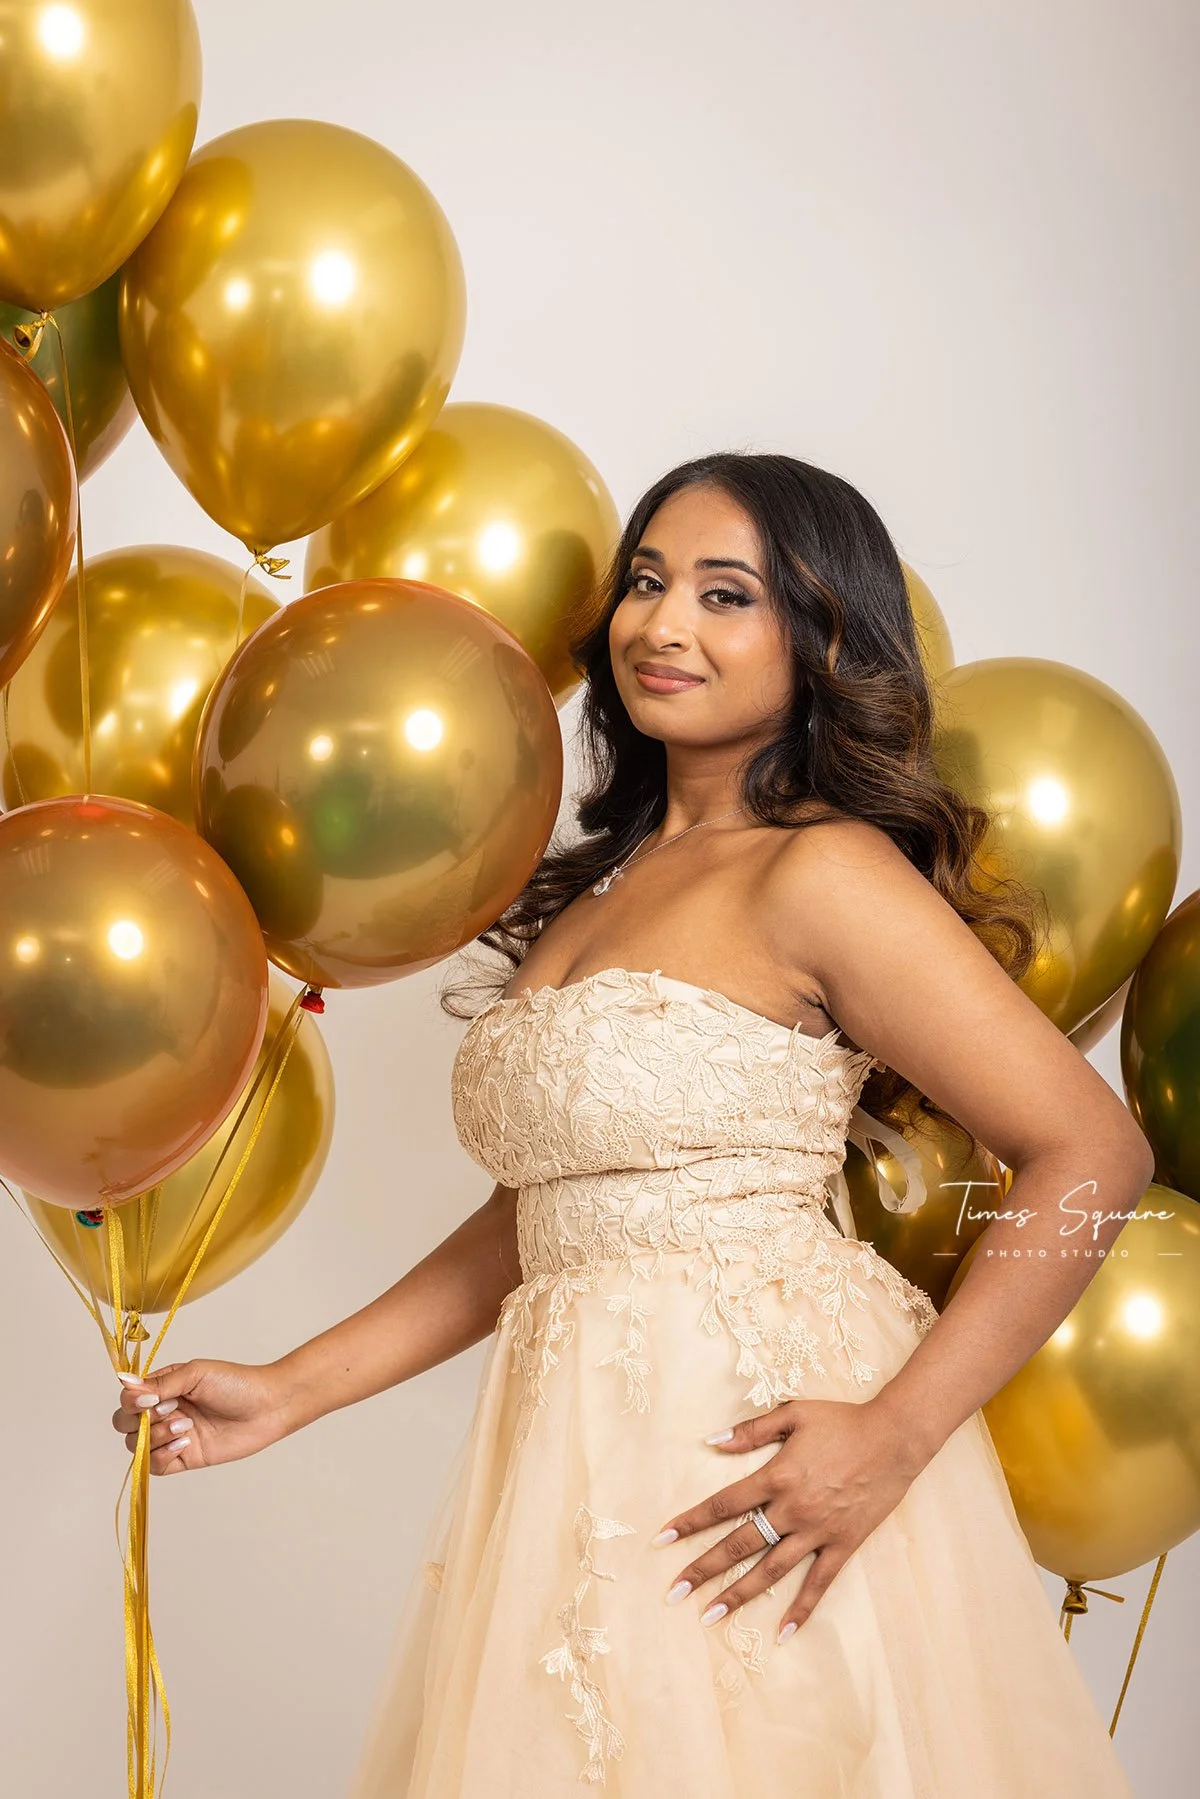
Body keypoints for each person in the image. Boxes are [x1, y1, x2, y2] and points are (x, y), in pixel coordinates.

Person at [113, 453, 1149, 1796]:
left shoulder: (822, 870)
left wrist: (897, 1434)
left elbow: (1095, 1152)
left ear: (825, 640)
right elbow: (548, 1219)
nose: (663, 625)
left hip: (755, 1451)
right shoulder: (601, 887)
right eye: (648, 583)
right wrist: (290, 1388)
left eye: (728, 595)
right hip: (568, 1458)